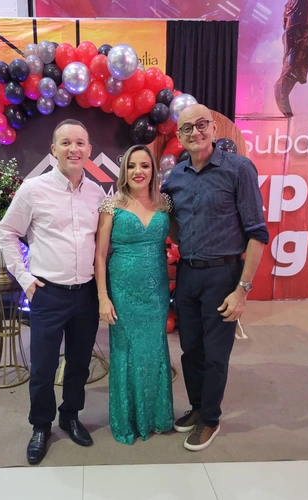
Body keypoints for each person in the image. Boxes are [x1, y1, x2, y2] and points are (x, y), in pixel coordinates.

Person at [161, 103, 269, 451]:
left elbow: (257, 233)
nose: (195, 132)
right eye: (187, 128)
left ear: (214, 129)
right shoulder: (176, 177)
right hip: (188, 273)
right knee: (190, 349)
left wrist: (242, 290)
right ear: (179, 136)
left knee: (215, 353)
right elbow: (175, 228)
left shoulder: (239, 169)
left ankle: (210, 419)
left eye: (201, 124)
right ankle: (197, 407)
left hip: (224, 274)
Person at [0, 119, 105, 464]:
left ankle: (70, 416)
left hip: (85, 294)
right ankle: (41, 426)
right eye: (66, 143)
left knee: (78, 363)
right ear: (53, 149)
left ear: (89, 150)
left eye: (80, 143)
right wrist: (25, 279)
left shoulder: (97, 193)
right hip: (48, 294)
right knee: (43, 367)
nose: (74, 149)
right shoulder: (33, 189)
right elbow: (7, 232)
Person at [95, 144, 174, 445]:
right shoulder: (111, 205)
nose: (138, 171)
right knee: (125, 351)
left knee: (154, 350)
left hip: (156, 292)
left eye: (144, 165)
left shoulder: (164, 203)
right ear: (123, 171)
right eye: (131, 166)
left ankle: (155, 417)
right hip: (123, 292)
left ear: (153, 171)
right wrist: (103, 296)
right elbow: (100, 256)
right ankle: (127, 420)